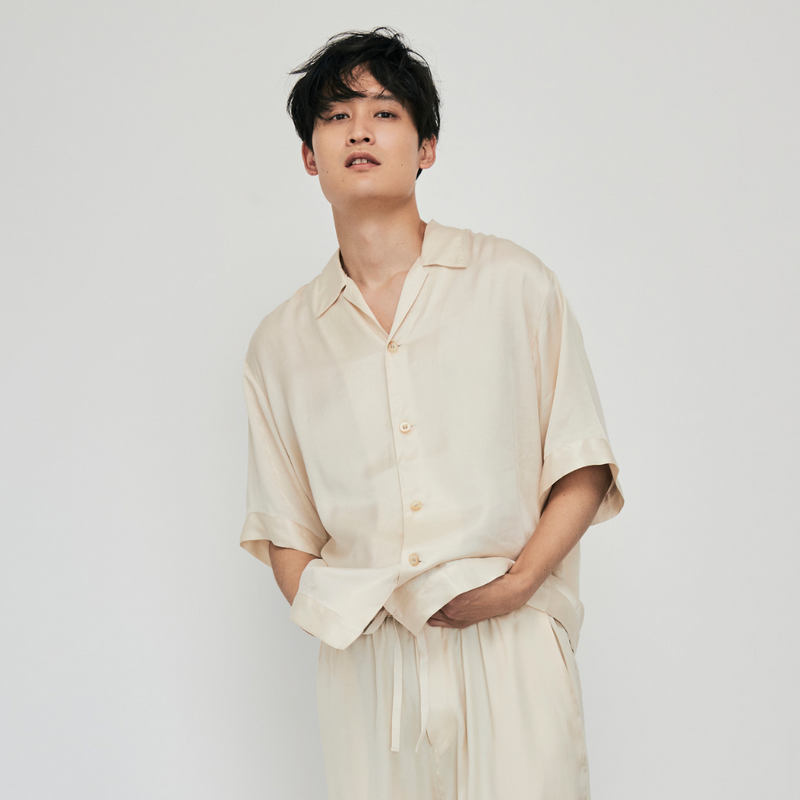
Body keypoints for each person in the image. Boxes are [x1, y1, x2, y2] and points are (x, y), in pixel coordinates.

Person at [239, 25, 624, 800]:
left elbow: (581, 460)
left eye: (384, 112)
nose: (359, 130)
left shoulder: (512, 283)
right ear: (310, 155)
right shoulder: (282, 342)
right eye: (336, 115)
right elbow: (284, 527)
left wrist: (517, 586)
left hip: (511, 638)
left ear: (427, 148)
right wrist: (348, 616)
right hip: (369, 662)